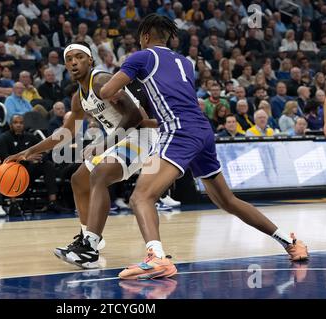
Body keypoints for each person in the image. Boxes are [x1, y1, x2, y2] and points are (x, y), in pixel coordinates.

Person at [99, 14, 308, 279]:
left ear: (146, 37)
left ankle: (157, 258)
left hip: (178, 131)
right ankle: (291, 243)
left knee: (141, 196)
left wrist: (116, 92)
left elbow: (106, 92)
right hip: (202, 131)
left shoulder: (141, 57)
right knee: (228, 201)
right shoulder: (184, 62)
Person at [5, 42, 158, 268]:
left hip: (141, 137)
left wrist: (104, 143)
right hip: (118, 140)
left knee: (100, 174)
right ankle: (89, 237)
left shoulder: (101, 80)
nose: (74, 62)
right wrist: (30, 151)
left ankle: (90, 249)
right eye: (69, 59)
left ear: (90, 60)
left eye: (79, 57)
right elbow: (66, 133)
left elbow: (135, 116)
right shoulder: (79, 97)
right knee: (78, 179)